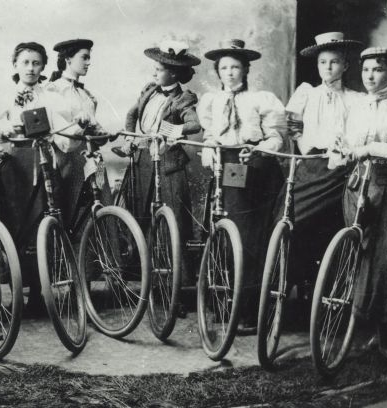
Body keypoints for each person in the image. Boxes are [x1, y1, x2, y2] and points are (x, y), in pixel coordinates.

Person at [197, 39, 287, 333]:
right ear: (217, 71)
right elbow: (211, 134)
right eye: (224, 67)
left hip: (256, 169)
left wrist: (259, 149)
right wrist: (211, 151)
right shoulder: (211, 101)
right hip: (226, 168)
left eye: (235, 66)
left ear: (246, 69)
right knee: (222, 232)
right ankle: (224, 304)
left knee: (249, 240)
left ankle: (250, 310)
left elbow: (277, 138)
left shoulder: (262, 99)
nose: (230, 72)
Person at [0, 41, 82, 314]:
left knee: (44, 221)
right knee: (17, 225)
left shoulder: (51, 95)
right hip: (13, 165)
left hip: (43, 162)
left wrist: (77, 127)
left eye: (36, 63)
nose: (30, 68)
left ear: (43, 66)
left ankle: (42, 292)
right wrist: (8, 128)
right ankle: (21, 290)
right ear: (15, 65)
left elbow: (64, 129)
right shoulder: (3, 93)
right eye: (25, 63)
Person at [340, 46, 387, 365]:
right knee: (362, 252)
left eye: (378, 69)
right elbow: (345, 141)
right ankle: (362, 329)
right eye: (366, 69)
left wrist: (372, 147)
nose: (370, 75)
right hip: (357, 186)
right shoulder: (357, 106)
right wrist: (342, 149)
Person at [280, 32, 363, 312]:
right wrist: (307, 149)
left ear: (346, 66)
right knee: (289, 223)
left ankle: (327, 301)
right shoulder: (307, 93)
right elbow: (293, 128)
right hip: (310, 168)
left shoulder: (356, 99)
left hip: (339, 171)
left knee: (332, 229)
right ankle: (281, 289)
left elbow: (359, 134)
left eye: (335, 62)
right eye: (323, 62)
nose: (328, 67)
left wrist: (344, 147)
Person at [121, 40, 201, 295]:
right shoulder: (149, 90)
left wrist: (176, 130)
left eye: (158, 69)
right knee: (140, 215)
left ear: (174, 73)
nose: (154, 73)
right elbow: (132, 114)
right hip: (143, 160)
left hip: (169, 164)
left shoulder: (183, 98)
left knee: (173, 220)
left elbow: (194, 124)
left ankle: (179, 285)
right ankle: (145, 281)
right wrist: (130, 137)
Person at [45, 38, 113, 238]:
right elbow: (63, 140)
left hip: (92, 159)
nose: (88, 62)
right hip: (69, 162)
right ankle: (75, 267)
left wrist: (103, 133)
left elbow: (95, 130)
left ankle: (104, 266)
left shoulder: (85, 94)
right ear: (67, 59)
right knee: (75, 216)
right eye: (84, 57)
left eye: (89, 58)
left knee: (101, 207)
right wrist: (80, 125)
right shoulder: (53, 90)